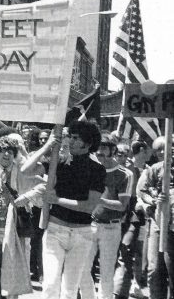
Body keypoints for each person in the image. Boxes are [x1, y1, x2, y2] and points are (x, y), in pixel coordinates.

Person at [38, 121, 106, 299]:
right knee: (50, 285)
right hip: (55, 230)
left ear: (88, 143)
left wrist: (56, 200)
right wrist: (48, 144)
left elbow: (89, 206)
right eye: (70, 136)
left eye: (76, 138)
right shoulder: (58, 162)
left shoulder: (97, 170)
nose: (71, 141)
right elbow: (26, 169)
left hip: (82, 233)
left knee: (69, 290)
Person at [0, 135, 41, 299]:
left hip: (14, 228)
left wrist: (28, 196)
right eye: (3, 151)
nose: (6, 155)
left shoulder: (22, 171)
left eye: (10, 151)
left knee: (11, 266)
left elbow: (44, 185)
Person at [79, 133, 132, 299]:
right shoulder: (89, 169)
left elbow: (122, 205)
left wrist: (98, 200)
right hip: (88, 225)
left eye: (103, 147)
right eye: (97, 148)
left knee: (106, 273)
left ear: (112, 150)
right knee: (81, 269)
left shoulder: (125, 174)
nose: (99, 151)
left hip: (111, 227)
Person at [136, 136, 174, 299]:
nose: (163, 152)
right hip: (159, 223)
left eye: (166, 148)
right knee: (155, 268)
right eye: (158, 149)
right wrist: (153, 200)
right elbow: (142, 192)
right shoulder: (154, 169)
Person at [114, 140, 149, 298]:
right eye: (118, 154)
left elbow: (136, 195)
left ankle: (120, 292)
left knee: (126, 251)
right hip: (109, 217)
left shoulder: (133, 171)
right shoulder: (107, 171)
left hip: (131, 216)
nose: (122, 158)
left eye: (125, 155)